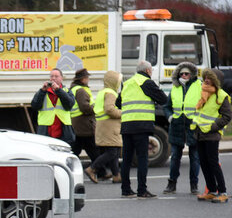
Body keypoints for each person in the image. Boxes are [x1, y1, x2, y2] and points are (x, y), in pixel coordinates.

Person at [116, 60, 167, 198]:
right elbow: (163, 99)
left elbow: (118, 103)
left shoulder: (127, 83)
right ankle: (142, 190)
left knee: (126, 159)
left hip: (127, 125)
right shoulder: (146, 82)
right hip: (141, 125)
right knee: (142, 158)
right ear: (148, 71)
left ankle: (125, 190)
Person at [192, 69, 231, 203]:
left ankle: (223, 192)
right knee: (203, 162)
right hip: (199, 133)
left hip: (211, 135)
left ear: (216, 80)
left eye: (209, 78)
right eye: (205, 77)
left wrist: (213, 127)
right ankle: (212, 191)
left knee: (213, 163)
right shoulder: (202, 91)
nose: (206, 80)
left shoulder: (221, 95)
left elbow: (227, 116)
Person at [163, 62, 201, 194]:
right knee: (174, 158)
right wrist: (170, 117)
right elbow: (167, 106)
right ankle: (172, 184)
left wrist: (199, 119)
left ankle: (194, 185)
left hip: (193, 125)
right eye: (182, 74)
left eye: (186, 73)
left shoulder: (199, 86)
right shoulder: (175, 88)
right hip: (177, 126)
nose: (184, 75)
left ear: (191, 74)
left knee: (195, 158)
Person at [84, 71, 122, 184]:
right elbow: (109, 109)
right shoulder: (111, 93)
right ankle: (92, 169)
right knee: (112, 152)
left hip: (102, 124)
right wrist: (123, 113)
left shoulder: (103, 92)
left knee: (113, 150)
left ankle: (116, 175)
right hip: (109, 125)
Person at [30, 68, 76, 146]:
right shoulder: (43, 91)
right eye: (52, 76)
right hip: (46, 129)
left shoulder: (66, 91)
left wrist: (59, 90)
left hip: (63, 129)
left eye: (56, 76)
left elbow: (69, 105)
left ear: (61, 78)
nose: (53, 78)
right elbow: (34, 105)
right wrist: (42, 91)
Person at [70, 68, 100, 167]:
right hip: (84, 124)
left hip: (79, 124)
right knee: (92, 150)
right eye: (87, 77)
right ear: (83, 79)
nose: (88, 79)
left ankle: (100, 171)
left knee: (79, 149)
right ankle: (100, 171)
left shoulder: (75, 88)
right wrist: (95, 108)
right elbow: (84, 107)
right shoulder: (81, 91)